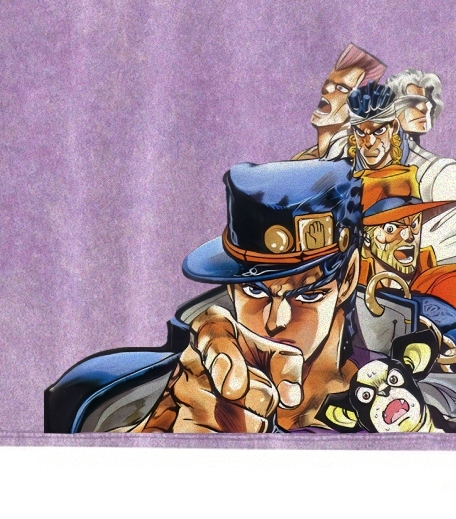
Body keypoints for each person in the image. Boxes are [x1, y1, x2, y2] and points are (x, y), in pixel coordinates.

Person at [132, 159, 366, 433]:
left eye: (308, 294)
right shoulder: (185, 382)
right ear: (231, 287)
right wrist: (158, 431)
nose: (275, 322)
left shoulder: (391, 389)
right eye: (255, 290)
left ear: (348, 278)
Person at [358, 164, 456, 324]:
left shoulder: (443, 283)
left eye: (414, 224)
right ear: (367, 238)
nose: (409, 236)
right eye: (391, 229)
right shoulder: (351, 287)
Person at [384, 69, 456, 265]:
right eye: (412, 102)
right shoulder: (369, 173)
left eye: (427, 100)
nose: (424, 107)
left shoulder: (445, 172)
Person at [291, 44, 385, 161]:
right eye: (328, 82)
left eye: (341, 88)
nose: (326, 89)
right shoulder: (301, 158)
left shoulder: (355, 158)